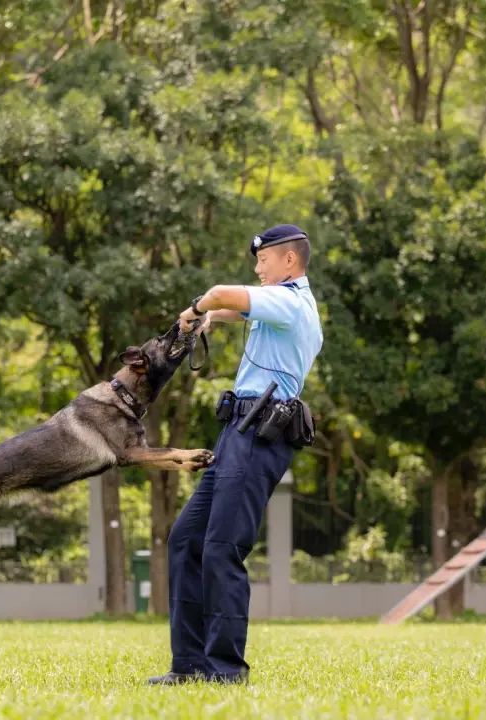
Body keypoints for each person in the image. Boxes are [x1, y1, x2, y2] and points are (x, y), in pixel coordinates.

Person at [147, 223, 324, 685]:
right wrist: (209, 320)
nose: (257, 268)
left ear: (289, 261)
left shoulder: (290, 302)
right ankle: (188, 667)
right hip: (238, 433)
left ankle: (225, 671)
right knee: (186, 539)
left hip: (257, 436)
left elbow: (223, 293)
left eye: (262, 260)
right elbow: (238, 311)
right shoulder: (281, 308)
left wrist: (197, 307)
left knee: (223, 549)